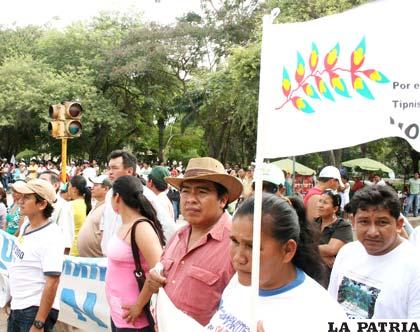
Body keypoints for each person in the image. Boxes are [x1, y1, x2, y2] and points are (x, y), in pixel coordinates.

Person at [206, 194, 346, 331]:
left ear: (287, 250)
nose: (238, 258)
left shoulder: (322, 316)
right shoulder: (241, 280)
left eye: (252, 246)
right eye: (235, 242)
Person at [148, 157, 243, 325]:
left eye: (202, 192)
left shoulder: (238, 243)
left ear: (222, 200)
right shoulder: (178, 236)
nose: (190, 199)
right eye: (185, 191)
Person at [328, 185, 420, 319]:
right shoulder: (347, 252)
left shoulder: (415, 268)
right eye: (364, 222)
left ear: (399, 224)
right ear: (353, 222)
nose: (372, 232)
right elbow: (332, 308)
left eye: (382, 222)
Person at [105, 176, 165, 332]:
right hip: (120, 314)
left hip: (136, 319)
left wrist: (138, 306)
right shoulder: (125, 225)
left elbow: (158, 271)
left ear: (116, 197)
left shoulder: (141, 227)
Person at [8, 179, 64, 331]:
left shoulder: (52, 236)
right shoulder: (27, 224)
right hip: (19, 306)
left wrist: (39, 323)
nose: (20, 201)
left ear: (42, 204)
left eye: (26, 197)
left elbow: (52, 282)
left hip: (33, 310)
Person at [100, 150, 176, 256]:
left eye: (115, 168)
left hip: (132, 264)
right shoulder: (110, 194)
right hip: (109, 260)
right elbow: (104, 224)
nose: (110, 172)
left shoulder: (145, 195)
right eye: (109, 168)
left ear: (130, 171)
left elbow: (169, 229)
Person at [314, 190, 353, 281]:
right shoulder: (314, 223)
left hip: (332, 276)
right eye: (320, 201)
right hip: (314, 273)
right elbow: (301, 244)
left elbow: (331, 249)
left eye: (325, 203)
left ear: (335, 209)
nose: (320, 205)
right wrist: (321, 255)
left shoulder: (342, 226)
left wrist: (308, 250)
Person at [38, 171, 75, 254]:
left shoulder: (63, 206)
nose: (39, 184)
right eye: (38, 181)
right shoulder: (36, 204)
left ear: (55, 185)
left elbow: (66, 242)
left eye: (43, 181)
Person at [78, 175, 111, 257]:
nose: (92, 188)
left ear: (106, 189)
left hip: (98, 260)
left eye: (96, 185)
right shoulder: (97, 205)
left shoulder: (108, 208)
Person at [69, 175, 92, 256]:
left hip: (72, 248)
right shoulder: (86, 203)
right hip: (82, 246)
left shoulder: (70, 205)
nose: (68, 188)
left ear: (74, 189)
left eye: (69, 186)